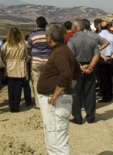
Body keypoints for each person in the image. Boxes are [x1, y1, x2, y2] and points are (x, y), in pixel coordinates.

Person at [36, 23, 80, 155]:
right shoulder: (63, 50)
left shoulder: (60, 52)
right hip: (60, 98)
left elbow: (66, 73)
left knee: (57, 141)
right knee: (53, 139)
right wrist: (67, 89)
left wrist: (57, 94)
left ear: (48, 37)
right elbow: (76, 72)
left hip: (56, 101)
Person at [67, 19, 100, 124]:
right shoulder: (92, 39)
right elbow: (97, 54)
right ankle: (90, 116)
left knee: (76, 93)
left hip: (77, 68)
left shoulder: (71, 41)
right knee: (90, 92)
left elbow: (71, 57)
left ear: (76, 27)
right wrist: (90, 66)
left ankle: (77, 117)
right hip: (90, 66)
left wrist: (81, 67)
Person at [27, 17, 51, 110]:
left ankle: (39, 103)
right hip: (48, 61)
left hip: (36, 61)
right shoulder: (49, 35)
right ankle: (49, 100)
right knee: (48, 81)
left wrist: (31, 55)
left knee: (36, 82)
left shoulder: (32, 36)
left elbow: (28, 47)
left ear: (37, 25)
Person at [3, 27, 29, 113]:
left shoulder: (7, 44)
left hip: (10, 66)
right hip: (20, 66)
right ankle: (16, 106)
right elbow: (26, 55)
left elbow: (3, 55)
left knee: (11, 87)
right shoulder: (23, 44)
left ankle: (11, 106)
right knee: (18, 87)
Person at [97, 22, 113, 103]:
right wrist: (111, 57)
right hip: (111, 58)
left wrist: (104, 57)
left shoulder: (97, 36)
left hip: (101, 59)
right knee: (111, 77)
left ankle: (106, 96)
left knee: (103, 79)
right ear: (108, 27)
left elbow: (96, 50)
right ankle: (110, 93)